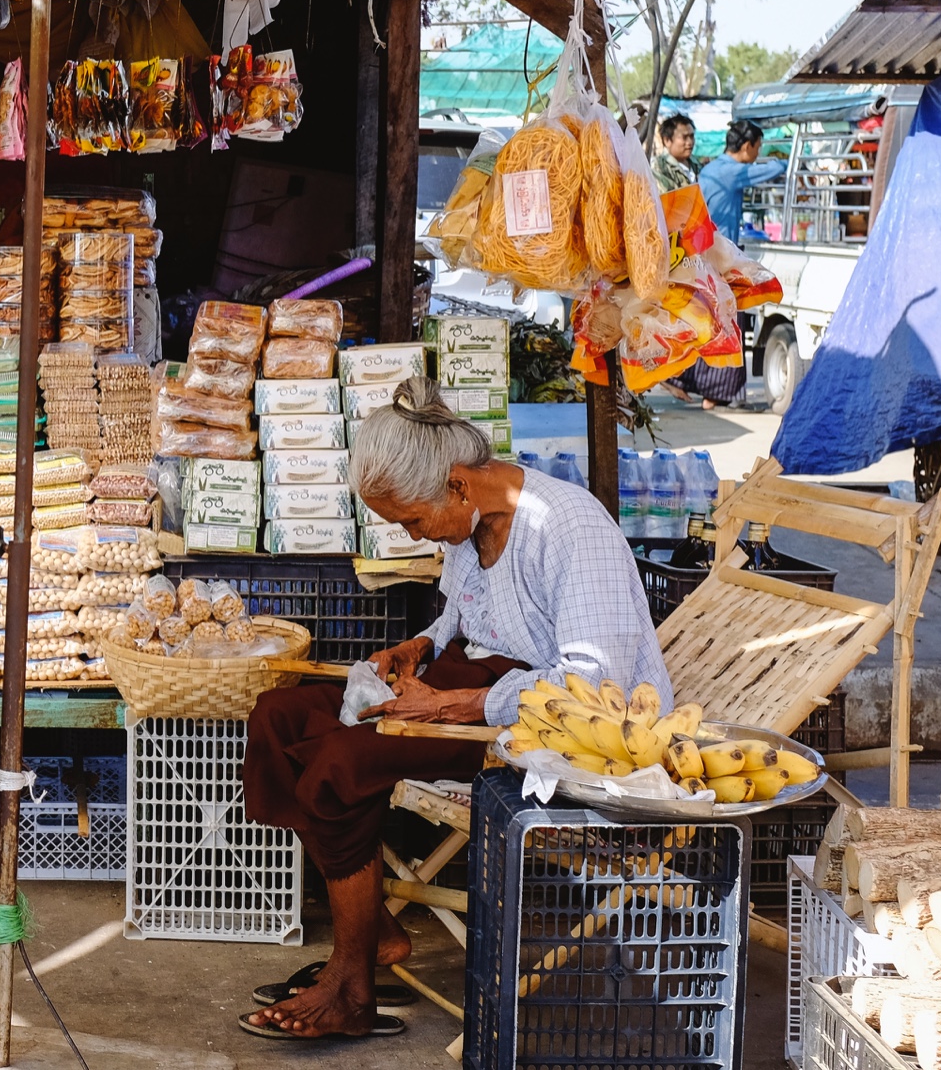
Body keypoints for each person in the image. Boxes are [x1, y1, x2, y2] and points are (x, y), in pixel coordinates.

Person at [238, 378, 671, 1042]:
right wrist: (422, 645)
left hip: (539, 724)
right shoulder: (471, 522)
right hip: (466, 689)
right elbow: (463, 615)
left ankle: (350, 982)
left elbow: (594, 682)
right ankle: (371, 929)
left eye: (414, 520)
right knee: (278, 718)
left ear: (460, 486)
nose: (417, 535)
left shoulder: (570, 529)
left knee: (338, 760)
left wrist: (449, 701)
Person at [696, 119, 786, 249]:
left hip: (705, 246)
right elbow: (772, 169)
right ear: (747, 146)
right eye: (758, 147)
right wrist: (788, 164)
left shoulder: (710, 168)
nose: (758, 153)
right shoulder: (732, 172)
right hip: (720, 250)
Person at [652, 112, 698, 193]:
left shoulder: (696, 164)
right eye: (684, 137)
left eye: (692, 136)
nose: (690, 142)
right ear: (667, 141)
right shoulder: (659, 166)